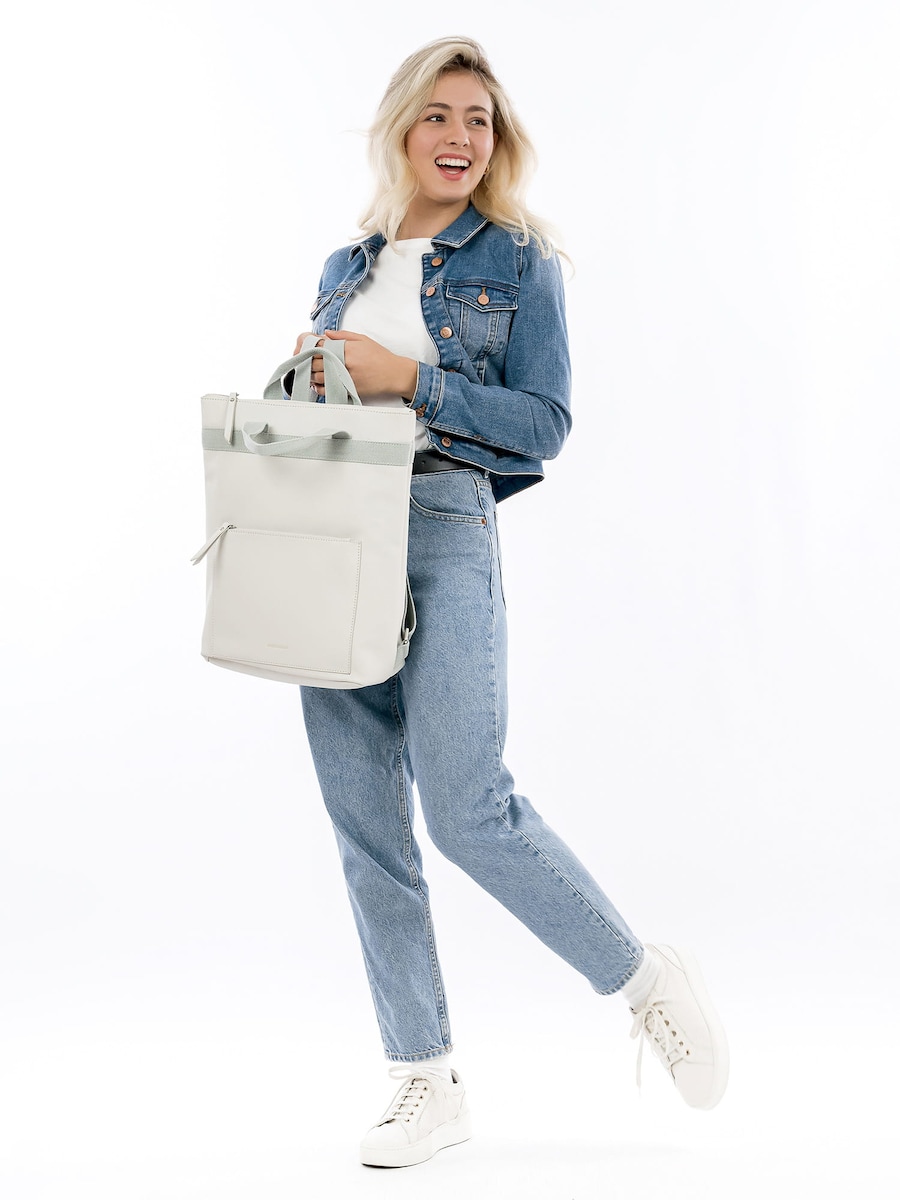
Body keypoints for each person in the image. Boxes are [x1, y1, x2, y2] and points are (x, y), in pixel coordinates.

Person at [291, 36, 729, 1169]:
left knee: (468, 808)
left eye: (479, 119)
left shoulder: (521, 261)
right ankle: (423, 1078)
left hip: (443, 527)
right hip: (329, 537)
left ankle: (642, 977)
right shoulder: (344, 264)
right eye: (438, 115)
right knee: (366, 825)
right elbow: (311, 418)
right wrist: (307, 376)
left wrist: (408, 382)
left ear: (499, 140)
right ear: (402, 127)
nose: (459, 137)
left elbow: (544, 422)